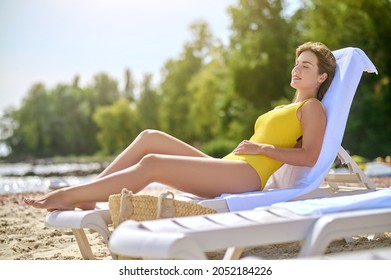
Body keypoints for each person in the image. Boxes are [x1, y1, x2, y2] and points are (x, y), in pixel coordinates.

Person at [24, 41, 336, 211]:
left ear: (321, 77)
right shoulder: (286, 107)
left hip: (246, 176)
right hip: (230, 165)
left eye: (306, 66)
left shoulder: (313, 108)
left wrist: (261, 148)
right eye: (297, 63)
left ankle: (69, 195)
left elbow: (310, 156)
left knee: (153, 164)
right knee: (149, 138)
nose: (297, 68)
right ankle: (89, 195)